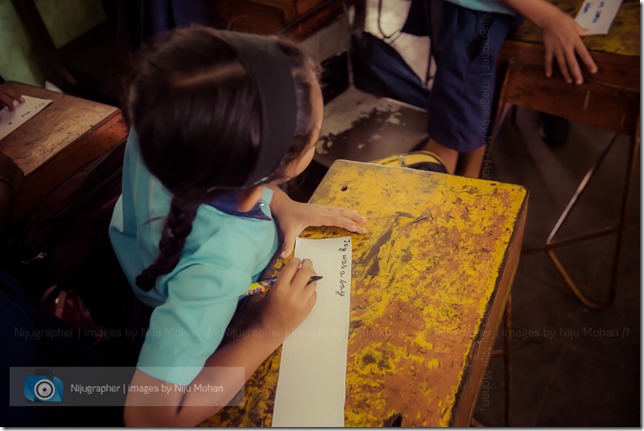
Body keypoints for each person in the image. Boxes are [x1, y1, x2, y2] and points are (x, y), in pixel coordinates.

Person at [108, 26, 368, 426]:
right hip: (185, 318)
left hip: (144, 262)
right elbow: (147, 416)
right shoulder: (216, 271)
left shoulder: (166, 118)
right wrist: (268, 328)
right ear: (260, 176)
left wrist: (280, 203)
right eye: (314, 137)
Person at [403, 0, 598, 177]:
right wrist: (549, 17)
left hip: (504, 12)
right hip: (475, 16)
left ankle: (469, 189)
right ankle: (431, 209)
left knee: (479, 113)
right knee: (448, 137)